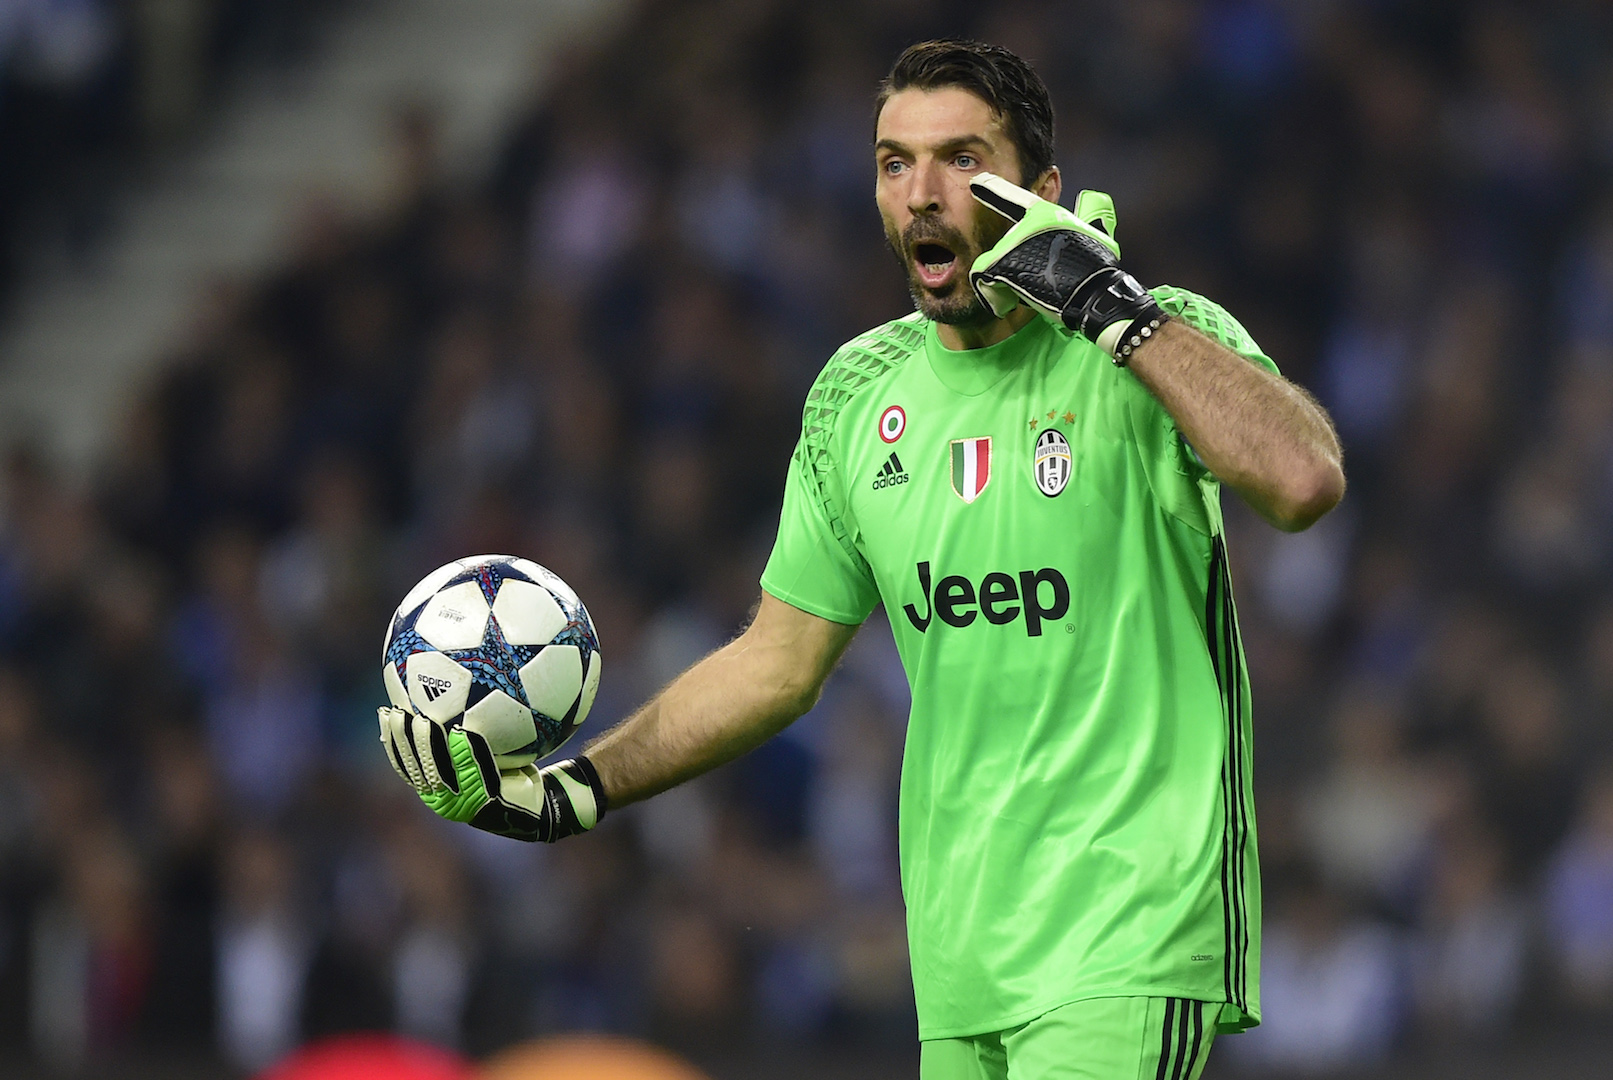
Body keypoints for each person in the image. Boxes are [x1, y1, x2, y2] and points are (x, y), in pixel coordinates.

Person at [380, 39, 1345, 1080]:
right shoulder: (857, 395)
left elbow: (1301, 478)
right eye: (894, 163)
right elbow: (775, 663)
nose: (923, 195)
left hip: (1126, 934)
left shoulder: (1150, 348)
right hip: (960, 962)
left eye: (959, 160)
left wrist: (1114, 310)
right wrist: (580, 789)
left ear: (1041, 191)